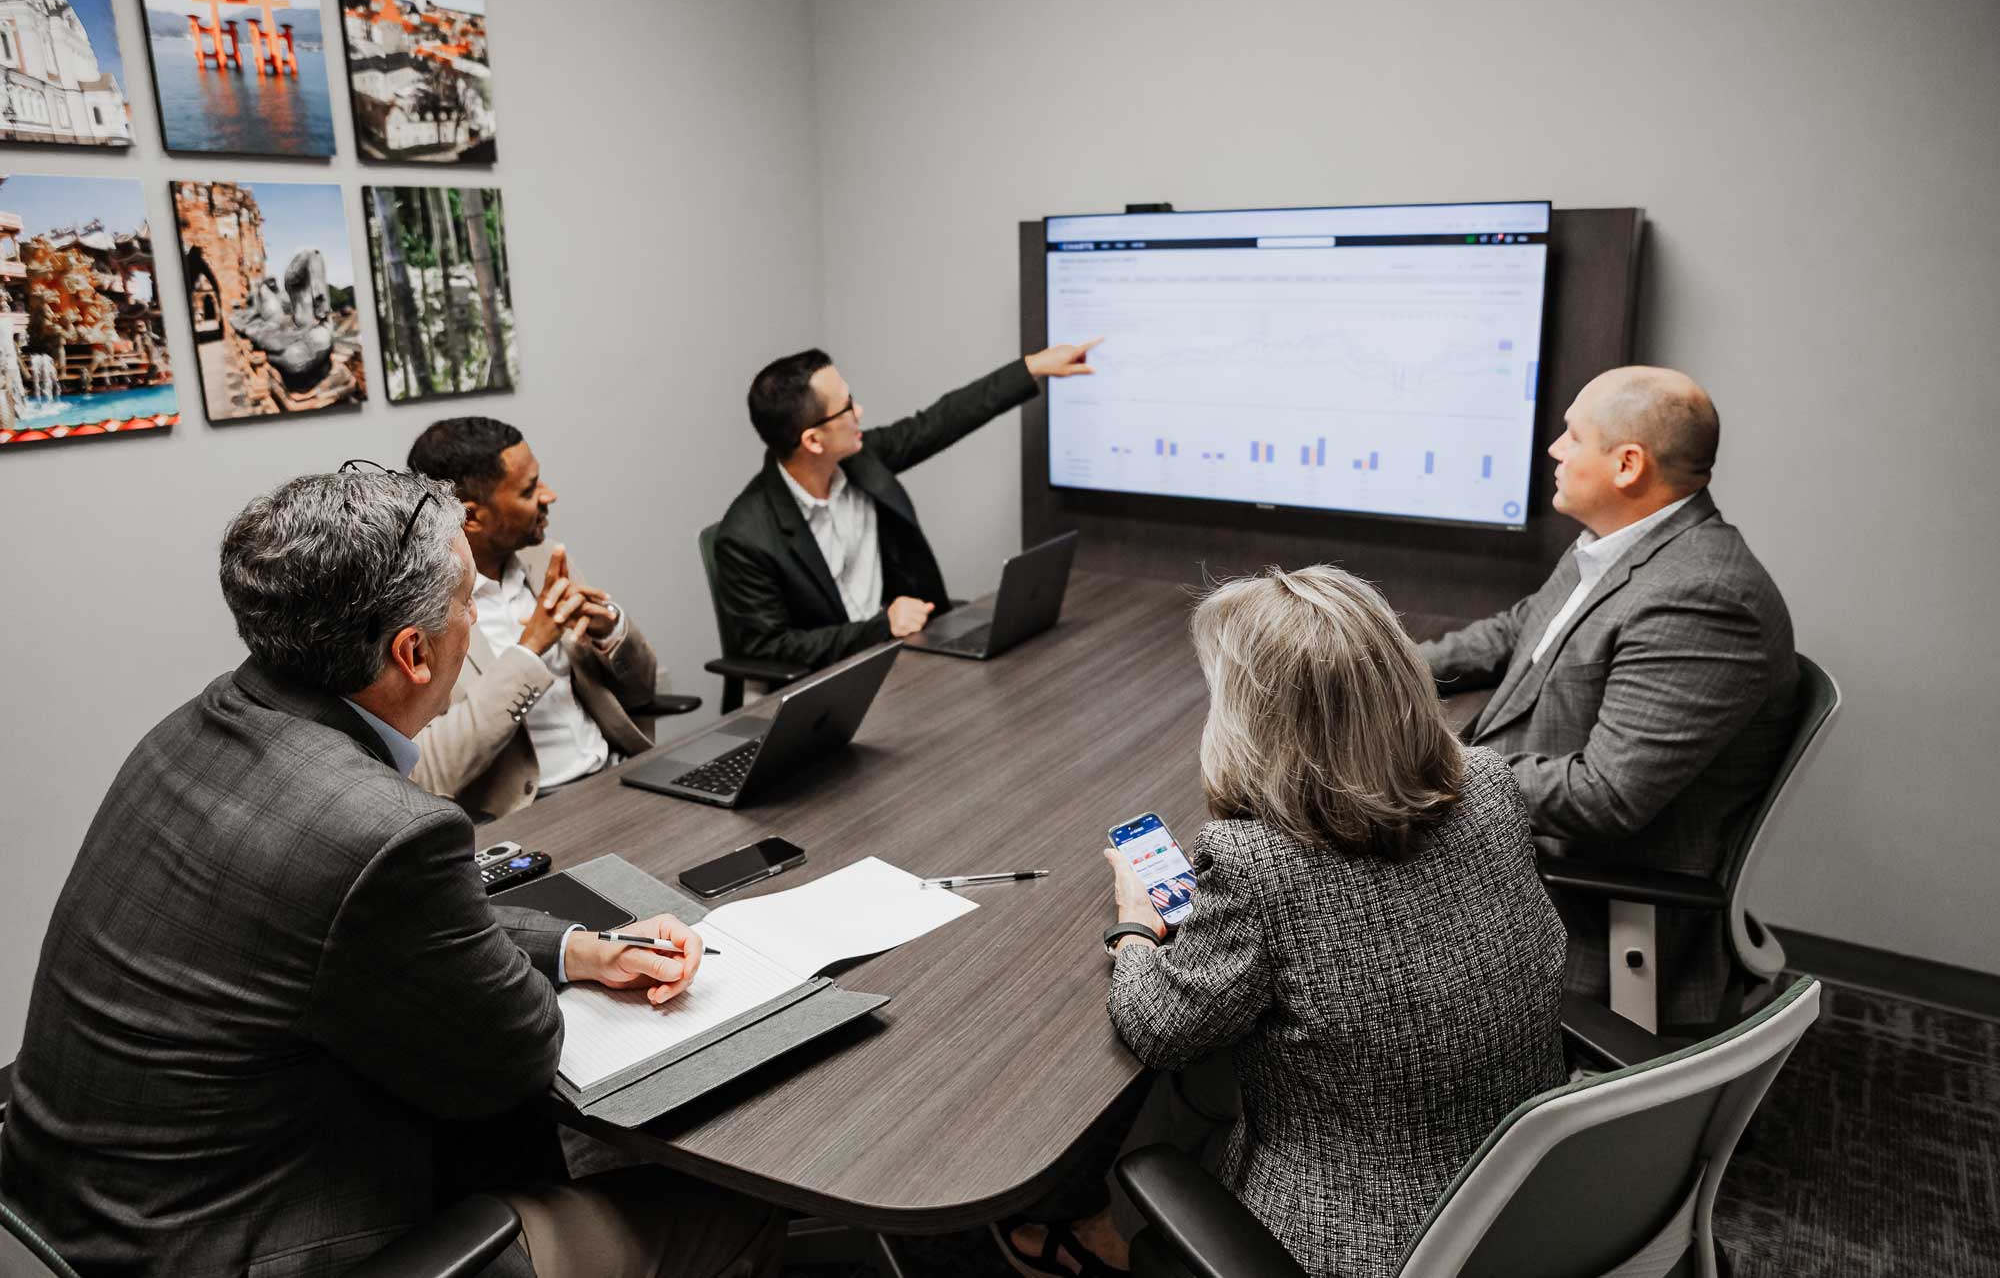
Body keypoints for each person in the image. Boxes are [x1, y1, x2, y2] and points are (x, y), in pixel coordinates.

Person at [0, 469, 781, 1278]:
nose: (477, 619)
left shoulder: (184, 735)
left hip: (72, 1220)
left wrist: (575, 948)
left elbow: (345, 920)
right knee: (731, 1205)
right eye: (468, 605)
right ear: (412, 652)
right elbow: (513, 1055)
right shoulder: (378, 827)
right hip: (239, 1245)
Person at [1005, 566, 1568, 1278]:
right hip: (1535, 1185)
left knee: (1189, 1059)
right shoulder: (1488, 781)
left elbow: (1154, 1026)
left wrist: (1136, 921)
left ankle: (1116, 1231)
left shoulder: (1256, 864)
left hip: (1365, 1241)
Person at [1417, 367, 1798, 1027]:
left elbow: (1604, 796)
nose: (1554, 449)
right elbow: (1518, 630)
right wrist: (1374, 666)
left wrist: (1425, 762)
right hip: (1514, 825)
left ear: (1627, 464)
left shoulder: (1702, 597)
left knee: (1305, 888)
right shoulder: (1620, 540)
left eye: (1572, 435)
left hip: (1565, 892)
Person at [714, 342, 1099, 670]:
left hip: (902, 657)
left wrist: (1032, 367)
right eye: (847, 406)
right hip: (829, 686)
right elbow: (769, 648)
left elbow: (938, 421)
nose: (859, 411)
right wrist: (882, 627)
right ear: (813, 441)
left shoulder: (859, 461)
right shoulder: (746, 536)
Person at [408, 417, 659, 818]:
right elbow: (433, 771)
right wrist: (529, 652)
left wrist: (610, 630)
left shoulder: (545, 558)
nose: (550, 496)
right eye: (528, 490)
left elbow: (642, 690)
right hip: (530, 815)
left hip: (618, 774)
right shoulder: (419, 613)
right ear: (471, 517)